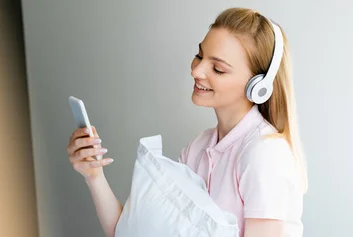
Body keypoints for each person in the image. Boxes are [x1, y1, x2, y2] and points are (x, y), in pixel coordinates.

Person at [67, 7, 307, 237]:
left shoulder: (264, 154)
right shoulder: (199, 148)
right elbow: (131, 231)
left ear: (258, 87)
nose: (197, 70)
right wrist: (94, 175)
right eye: (199, 55)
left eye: (218, 68)